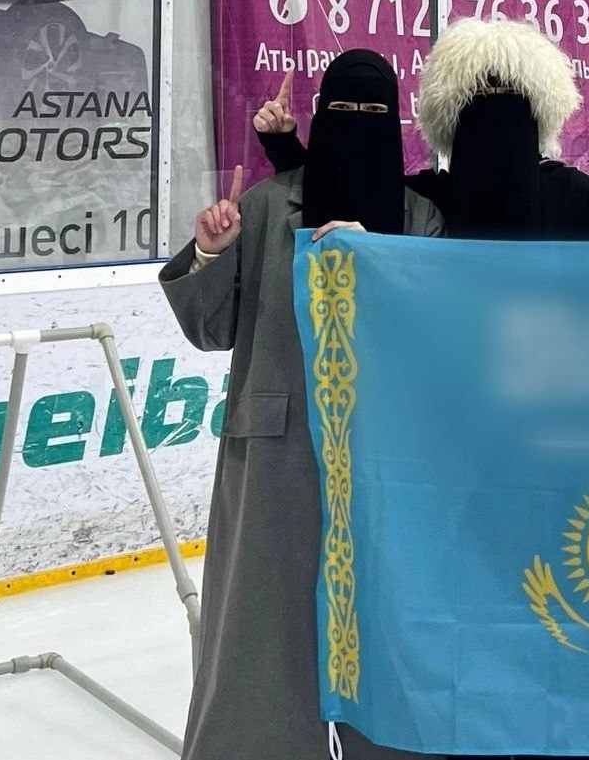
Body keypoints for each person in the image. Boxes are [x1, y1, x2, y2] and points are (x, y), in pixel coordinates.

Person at [160, 50, 443, 760]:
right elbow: (211, 330)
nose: (357, 124)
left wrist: (377, 261)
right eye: (342, 110)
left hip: (387, 452)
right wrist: (210, 253)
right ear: (320, 116)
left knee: (382, 613)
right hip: (275, 453)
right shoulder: (263, 206)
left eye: (372, 112)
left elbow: (435, 337)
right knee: (263, 622)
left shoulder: (422, 218)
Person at [256, 18, 589, 239]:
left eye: (510, 99)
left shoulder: (578, 198)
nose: (495, 119)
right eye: (478, 99)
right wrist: (284, 148)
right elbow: (349, 182)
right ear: (454, 114)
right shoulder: (429, 200)